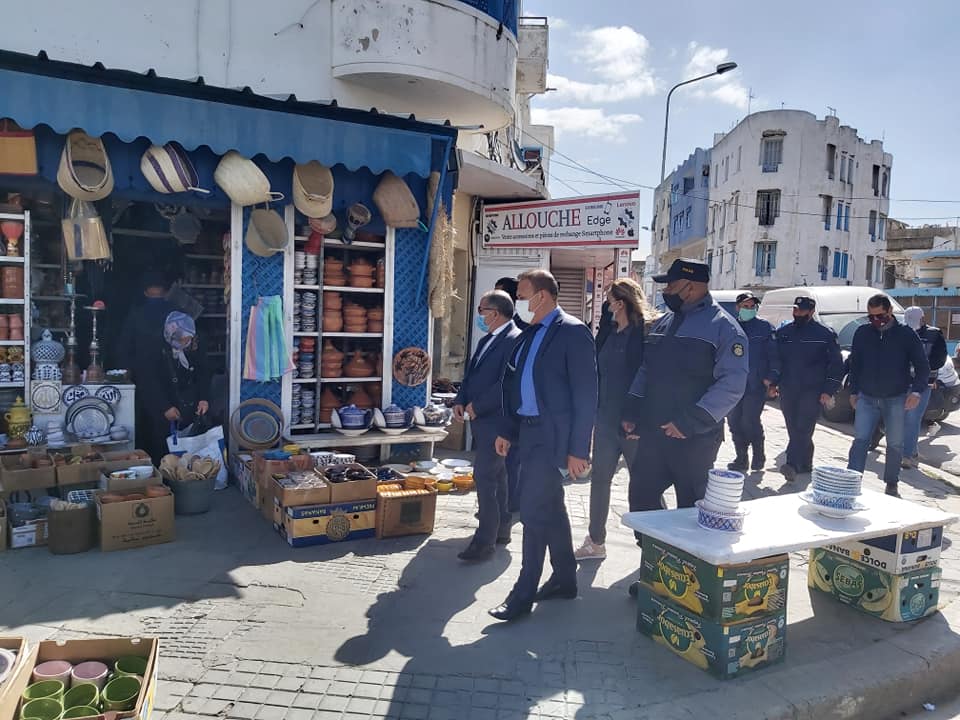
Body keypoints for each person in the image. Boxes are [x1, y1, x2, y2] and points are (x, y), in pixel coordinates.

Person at [489, 269, 597, 621]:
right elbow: (515, 387)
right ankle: (565, 579)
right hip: (528, 433)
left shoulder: (572, 332)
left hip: (554, 438)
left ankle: (522, 594)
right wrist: (507, 430)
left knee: (533, 512)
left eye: (522, 295)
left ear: (543, 296)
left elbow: (586, 394)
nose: (519, 301)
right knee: (551, 507)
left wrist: (579, 450)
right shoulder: (529, 333)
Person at [621, 258, 747, 512]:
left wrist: (690, 421)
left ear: (690, 287)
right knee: (641, 501)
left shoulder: (724, 328)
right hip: (654, 433)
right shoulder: (665, 322)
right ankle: (650, 540)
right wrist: (632, 408)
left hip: (694, 438)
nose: (666, 291)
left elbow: (732, 384)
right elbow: (647, 368)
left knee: (690, 510)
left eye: (671, 285)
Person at [574, 279, 647, 561]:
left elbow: (649, 378)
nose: (606, 303)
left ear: (621, 302)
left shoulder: (643, 334)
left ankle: (655, 543)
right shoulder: (608, 331)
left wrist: (638, 417)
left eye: (609, 299)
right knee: (600, 480)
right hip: (605, 419)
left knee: (643, 485)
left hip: (632, 423)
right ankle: (596, 541)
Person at [452, 290, 521, 561]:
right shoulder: (486, 340)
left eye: (482, 310)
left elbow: (506, 385)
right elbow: (471, 375)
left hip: (497, 421)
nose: (479, 315)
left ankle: (484, 542)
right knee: (498, 476)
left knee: (485, 478)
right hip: (481, 421)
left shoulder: (514, 340)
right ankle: (502, 529)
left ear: (494, 313)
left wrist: (477, 406)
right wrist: (460, 400)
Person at [847, 295, 929, 496]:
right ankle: (851, 482)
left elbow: (922, 367)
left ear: (890, 311)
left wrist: (916, 392)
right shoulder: (863, 333)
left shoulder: (906, 335)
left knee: (895, 443)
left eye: (880, 316)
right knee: (860, 440)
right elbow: (855, 364)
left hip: (896, 397)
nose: (876, 320)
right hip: (866, 397)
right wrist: (853, 391)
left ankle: (892, 483)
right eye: (871, 317)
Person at [774, 296, 843, 481]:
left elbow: (836, 365)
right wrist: (773, 383)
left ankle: (791, 465)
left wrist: (829, 390)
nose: (797, 313)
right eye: (795, 309)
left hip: (812, 390)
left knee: (803, 427)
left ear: (811, 312)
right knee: (793, 428)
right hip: (788, 388)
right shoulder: (783, 333)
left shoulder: (824, 334)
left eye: (802, 310)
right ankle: (805, 463)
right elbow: (776, 360)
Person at [117, 271, 176, 462]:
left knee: (145, 427)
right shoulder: (175, 313)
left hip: (142, 379)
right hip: (171, 379)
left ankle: (147, 466)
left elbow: (124, 348)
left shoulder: (136, 314)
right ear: (166, 291)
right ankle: (168, 468)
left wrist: (126, 372)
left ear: (144, 292)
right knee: (168, 430)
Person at [139, 311, 212, 464]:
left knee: (190, 454)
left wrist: (204, 398)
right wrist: (164, 407)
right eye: (182, 339)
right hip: (163, 409)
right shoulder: (153, 347)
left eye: (188, 339)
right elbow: (149, 382)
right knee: (164, 453)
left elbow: (203, 373)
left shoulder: (194, 346)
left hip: (190, 407)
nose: (186, 342)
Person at [727, 292, 780, 472]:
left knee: (750, 420)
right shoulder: (730, 327)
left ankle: (759, 455)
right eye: (745, 306)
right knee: (734, 421)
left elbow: (774, 355)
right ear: (738, 308)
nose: (749, 309)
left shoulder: (764, 328)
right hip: (733, 383)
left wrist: (772, 378)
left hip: (755, 384)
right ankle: (741, 458)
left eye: (752, 306)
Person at [494, 275, 526, 514]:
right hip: (501, 403)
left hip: (514, 404)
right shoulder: (499, 329)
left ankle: (511, 502)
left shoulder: (519, 330)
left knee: (512, 458)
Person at [902, 307, 948, 468]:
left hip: (923, 384)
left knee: (912, 419)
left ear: (923, 319)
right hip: (902, 383)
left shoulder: (934, 334)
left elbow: (940, 359)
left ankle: (907, 455)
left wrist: (922, 367)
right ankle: (910, 452)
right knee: (902, 419)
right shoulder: (901, 333)